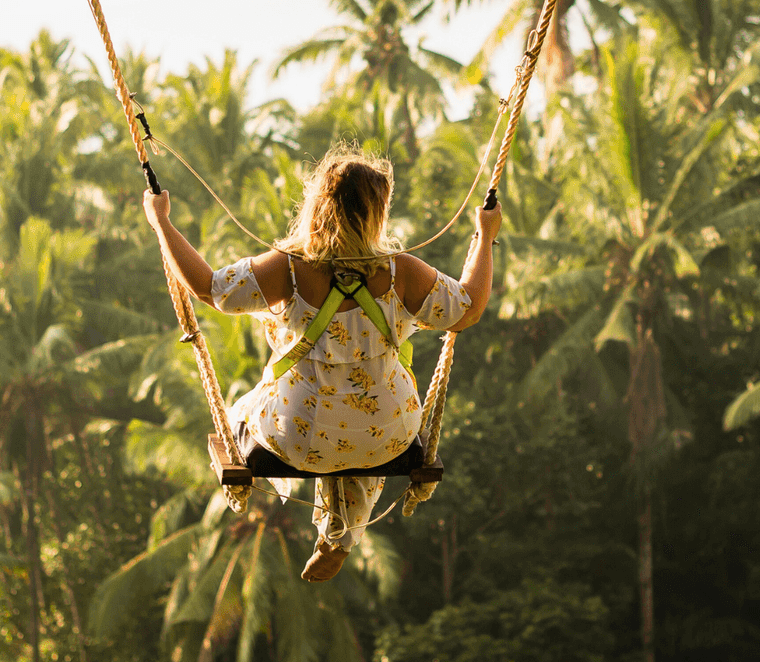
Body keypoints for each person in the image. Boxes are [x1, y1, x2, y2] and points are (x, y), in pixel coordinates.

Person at [142, 145, 500, 582]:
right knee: (359, 437)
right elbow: (469, 307)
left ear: (318, 206)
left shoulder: (289, 268)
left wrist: (162, 222)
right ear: (375, 215)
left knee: (249, 411)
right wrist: (485, 235)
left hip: (297, 433)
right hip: (389, 435)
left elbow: (208, 288)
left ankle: (334, 528)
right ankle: (340, 535)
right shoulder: (400, 271)